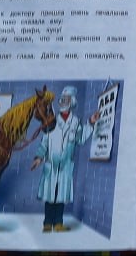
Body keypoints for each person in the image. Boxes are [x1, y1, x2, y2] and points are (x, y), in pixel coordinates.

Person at [30, 85, 98, 232]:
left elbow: (80, 139)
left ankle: (58, 223)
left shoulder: (76, 122)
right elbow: (44, 142)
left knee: (60, 196)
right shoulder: (51, 120)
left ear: (72, 101)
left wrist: (91, 122)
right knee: (50, 195)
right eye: (61, 99)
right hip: (51, 165)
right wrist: (39, 157)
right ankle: (47, 223)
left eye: (66, 99)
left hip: (66, 166)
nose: (62, 101)